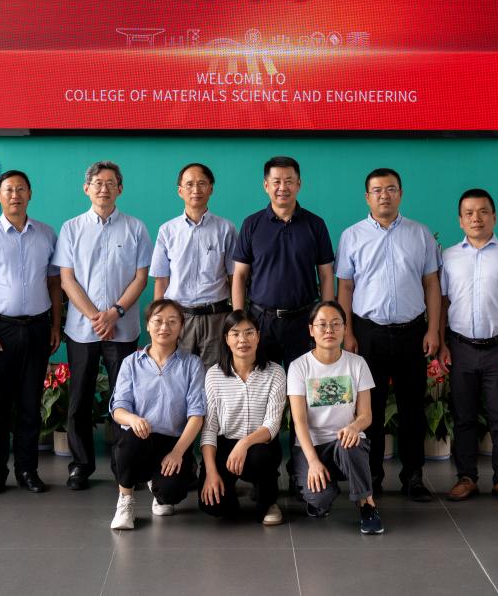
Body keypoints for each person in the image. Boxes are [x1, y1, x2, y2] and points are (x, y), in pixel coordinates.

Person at [335, 167, 443, 502]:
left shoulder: (420, 234)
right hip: (368, 333)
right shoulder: (352, 236)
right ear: (367, 197)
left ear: (401, 194)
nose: (385, 195)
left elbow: (432, 284)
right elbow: (345, 287)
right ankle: (373, 477)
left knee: (413, 409)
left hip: (412, 332)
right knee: (371, 409)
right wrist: (347, 333)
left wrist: (433, 329)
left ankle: (413, 476)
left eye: (391, 189)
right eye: (377, 190)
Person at [55, 161, 153, 491]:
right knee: (79, 399)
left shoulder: (136, 228)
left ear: (120, 189)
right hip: (82, 330)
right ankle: (81, 465)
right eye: (97, 183)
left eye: (110, 183)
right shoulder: (71, 228)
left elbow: (141, 278)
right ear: (87, 189)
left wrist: (115, 313)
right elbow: (67, 279)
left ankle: (123, 465)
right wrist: (97, 318)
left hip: (122, 328)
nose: (103, 188)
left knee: (123, 399)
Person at [0, 169, 63, 496]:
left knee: (30, 404)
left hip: (37, 327)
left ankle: (27, 470)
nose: (15, 195)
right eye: (8, 189)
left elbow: (54, 284)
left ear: (30, 194)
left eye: (21, 189)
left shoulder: (46, 234)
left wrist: (55, 325)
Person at [441, 188, 498, 503]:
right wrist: (441, 343)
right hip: (460, 347)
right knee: (463, 416)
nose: (476, 218)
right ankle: (466, 477)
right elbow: (442, 302)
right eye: (469, 213)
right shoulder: (449, 257)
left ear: (494, 216)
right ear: (460, 220)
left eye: (483, 212)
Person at [108, 299, 206, 530]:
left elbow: (197, 415)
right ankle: (125, 501)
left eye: (172, 322)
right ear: (148, 325)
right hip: (139, 439)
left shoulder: (192, 364)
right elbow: (118, 409)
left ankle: (160, 490)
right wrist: (132, 419)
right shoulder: (131, 363)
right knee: (130, 440)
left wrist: (178, 452)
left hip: (173, 442)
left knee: (172, 493)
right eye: (158, 321)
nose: (164, 327)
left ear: (181, 327)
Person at [288, 300, 383, 534]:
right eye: (322, 324)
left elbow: (366, 415)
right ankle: (320, 485)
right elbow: (299, 421)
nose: (329, 330)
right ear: (311, 330)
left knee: (351, 443)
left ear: (345, 328)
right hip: (312, 446)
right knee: (320, 500)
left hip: (345, 443)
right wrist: (312, 462)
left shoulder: (357, 364)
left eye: (336, 324)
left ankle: (367, 505)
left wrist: (354, 427)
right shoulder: (299, 366)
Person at [231, 155, 335, 367]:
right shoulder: (251, 224)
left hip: (304, 320)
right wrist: (239, 319)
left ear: (299, 184)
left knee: (304, 382)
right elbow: (239, 275)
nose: (282, 188)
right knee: (262, 380)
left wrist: (326, 319)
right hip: (261, 320)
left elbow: (326, 275)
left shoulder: (316, 224)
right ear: (266, 185)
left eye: (289, 181)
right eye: (276, 182)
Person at [199, 309, 287, 525]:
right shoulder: (214, 374)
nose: (242, 340)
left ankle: (268, 501)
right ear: (226, 339)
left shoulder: (275, 372)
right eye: (235, 334)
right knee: (214, 506)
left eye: (249, 333)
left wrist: (244, 444)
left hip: (259, 444)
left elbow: (272, 425)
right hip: (225, 445)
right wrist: (211, 472)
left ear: (258, 336)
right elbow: (209, 428)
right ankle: (230, 493)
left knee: (261, 457)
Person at [151, 162, 238, 368]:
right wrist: (157, 319)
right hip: (178, 318)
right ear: (180, 191)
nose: (196, 189)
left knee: (214, 376)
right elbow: (161, 281)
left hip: (215, 318)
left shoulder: (226, 229)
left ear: (211, 189)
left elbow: (234, 277)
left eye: (202, 183)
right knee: (176, 374)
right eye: (189, 184)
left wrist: (236, 318)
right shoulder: (167, 231)